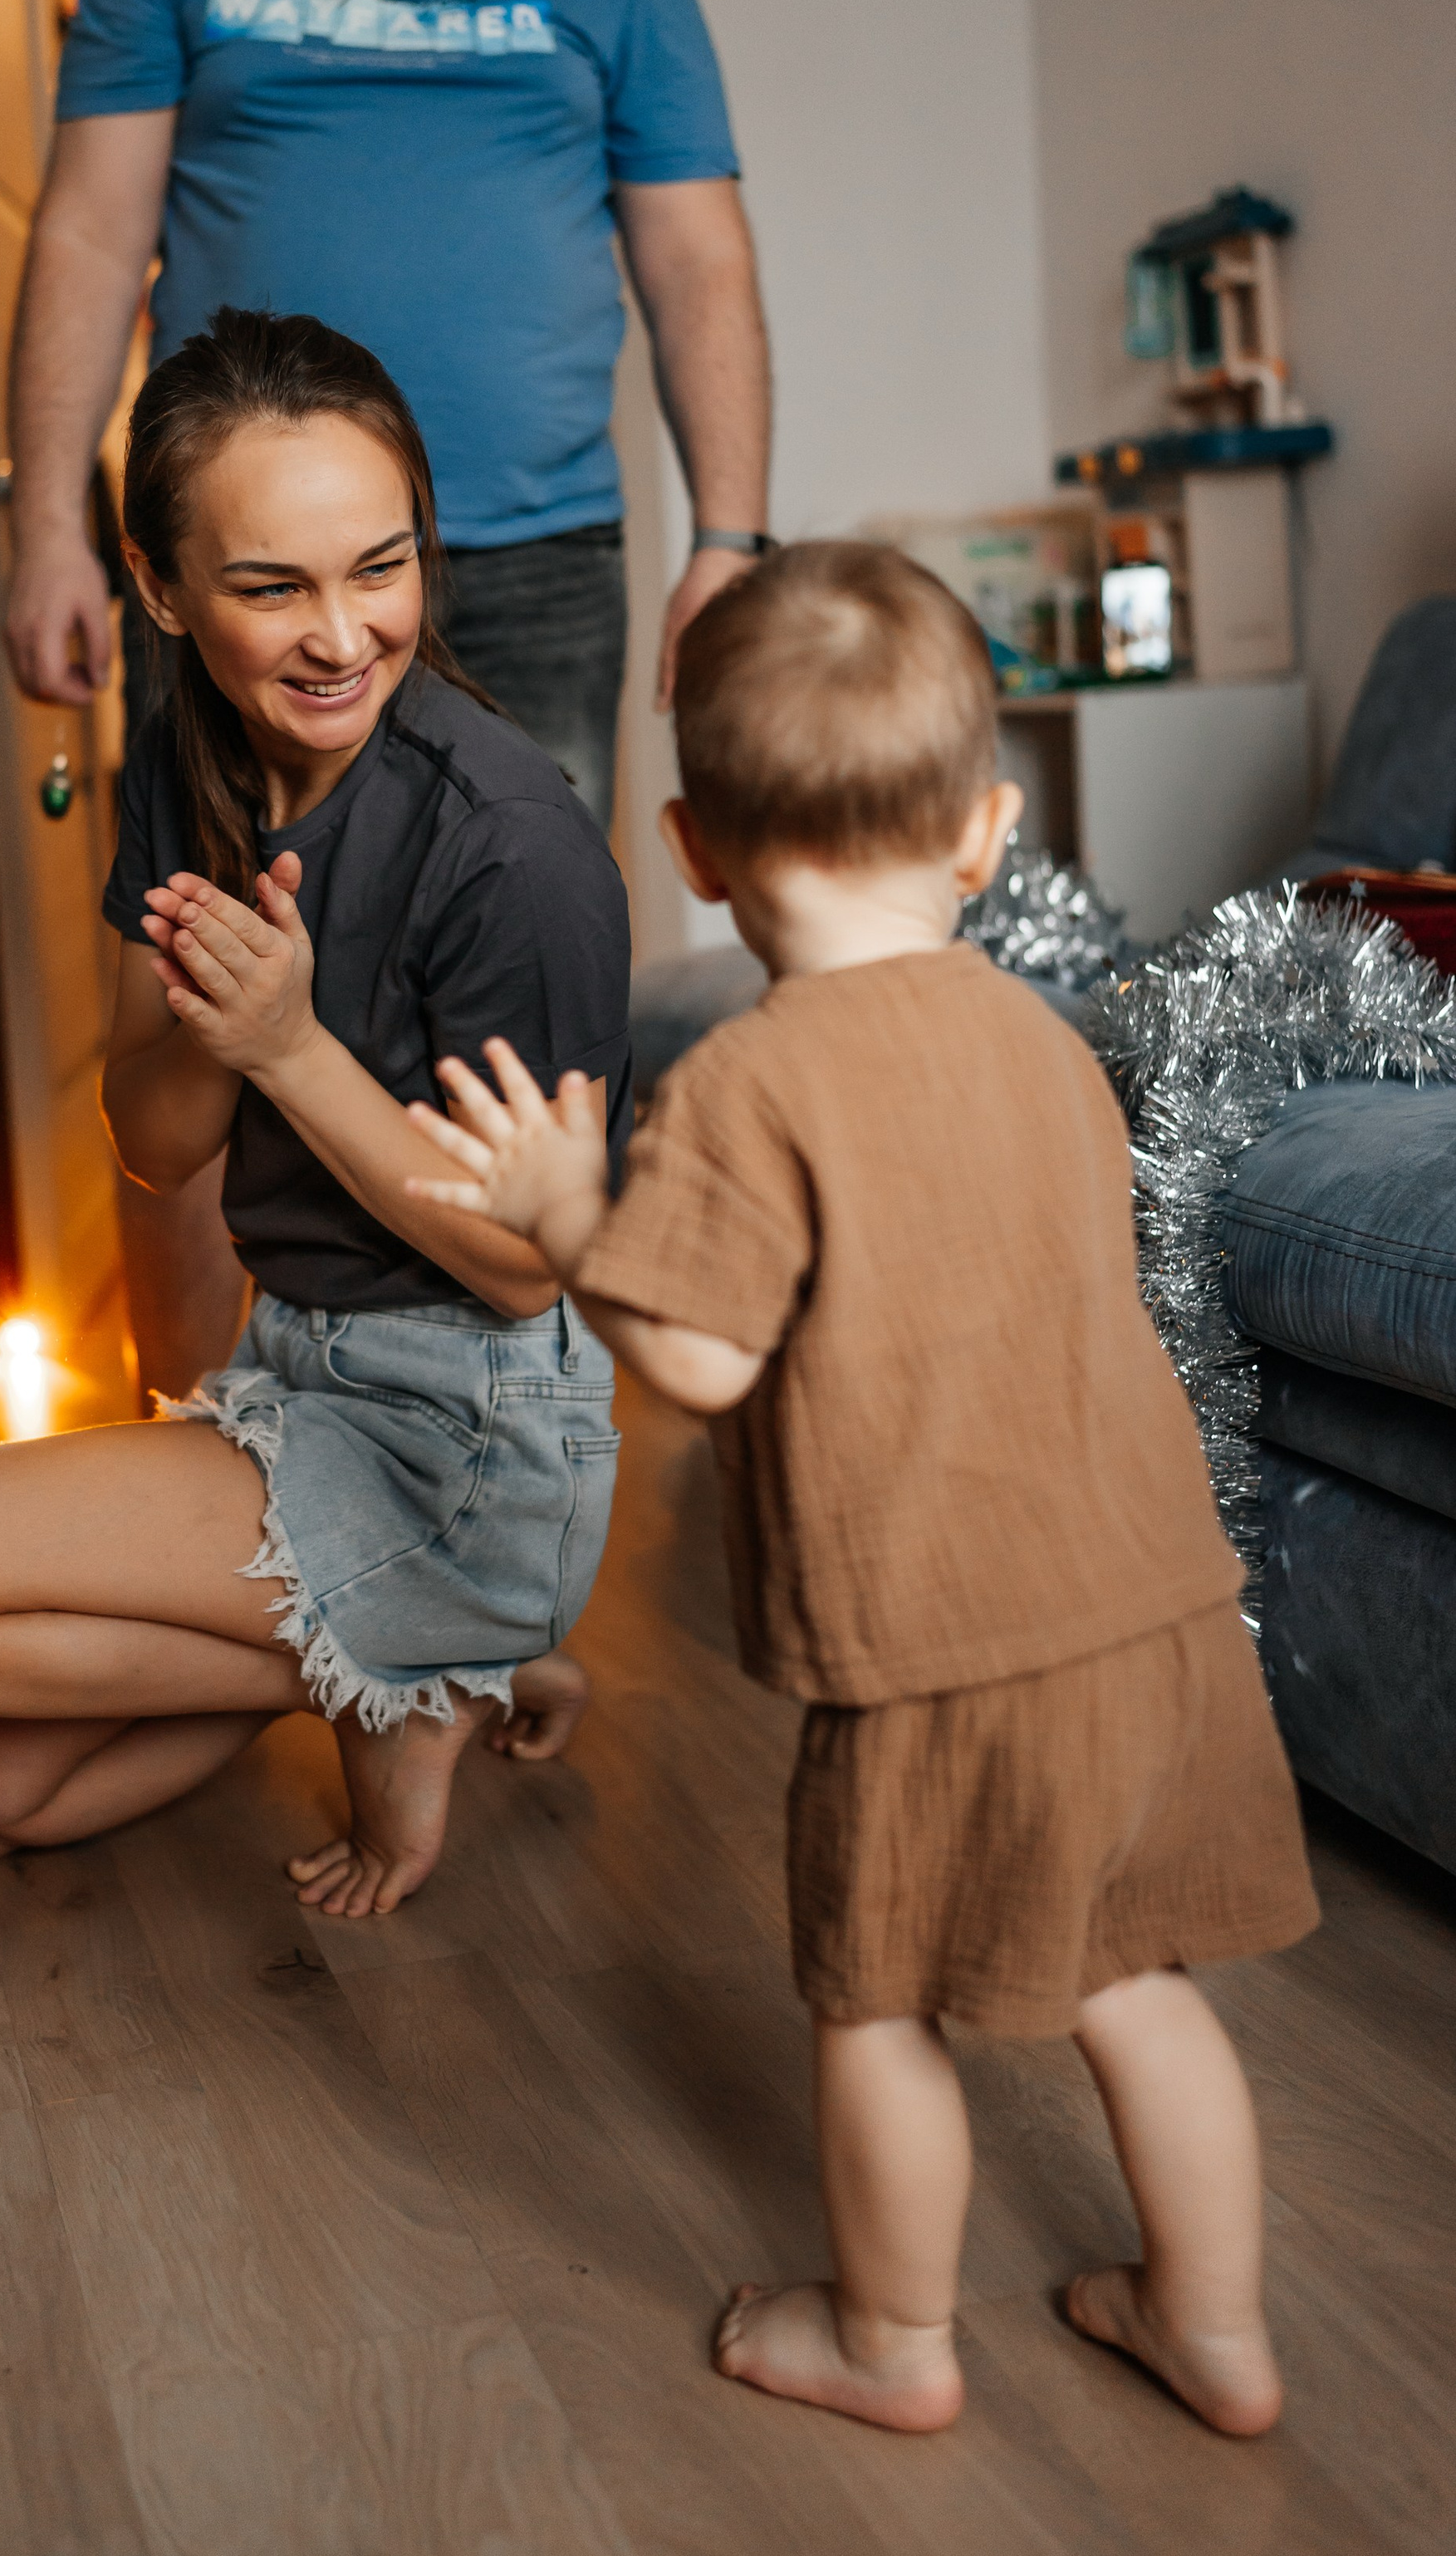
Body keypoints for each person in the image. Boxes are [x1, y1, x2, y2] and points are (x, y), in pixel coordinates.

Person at [406, 540, 1319, 2438]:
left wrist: (573, 1216)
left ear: (692, 847)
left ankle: (893, 2342)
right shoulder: (1051, 1046)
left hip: (935, 1652)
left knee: (877, 2003)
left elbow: (698, 1362)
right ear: (985, 834)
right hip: (1152, 1611)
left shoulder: (750, 1081)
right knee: (1135, 1979)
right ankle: (1215, 2327)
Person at [6, 0, 769, 1396]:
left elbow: (693, 254)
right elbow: (89, 236)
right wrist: (47, 529)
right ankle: (188, 1445)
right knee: (202, 1001)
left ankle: (491, 1513)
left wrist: (732, 537)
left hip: (530, 565)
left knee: (506, 1037)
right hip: (238, 578)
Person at [0, 309, 631, 1916]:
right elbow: (156, 1139)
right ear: (160, 589)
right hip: (291, 1378)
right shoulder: (193, 759)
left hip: (465, 1431)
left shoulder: (513, 847)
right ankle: (409, 1665)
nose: (341, 638)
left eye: (379, 569)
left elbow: (529, 1267)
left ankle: (455, 1619)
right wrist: (227, 1029)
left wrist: (288, 1041)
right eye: (272, 588)